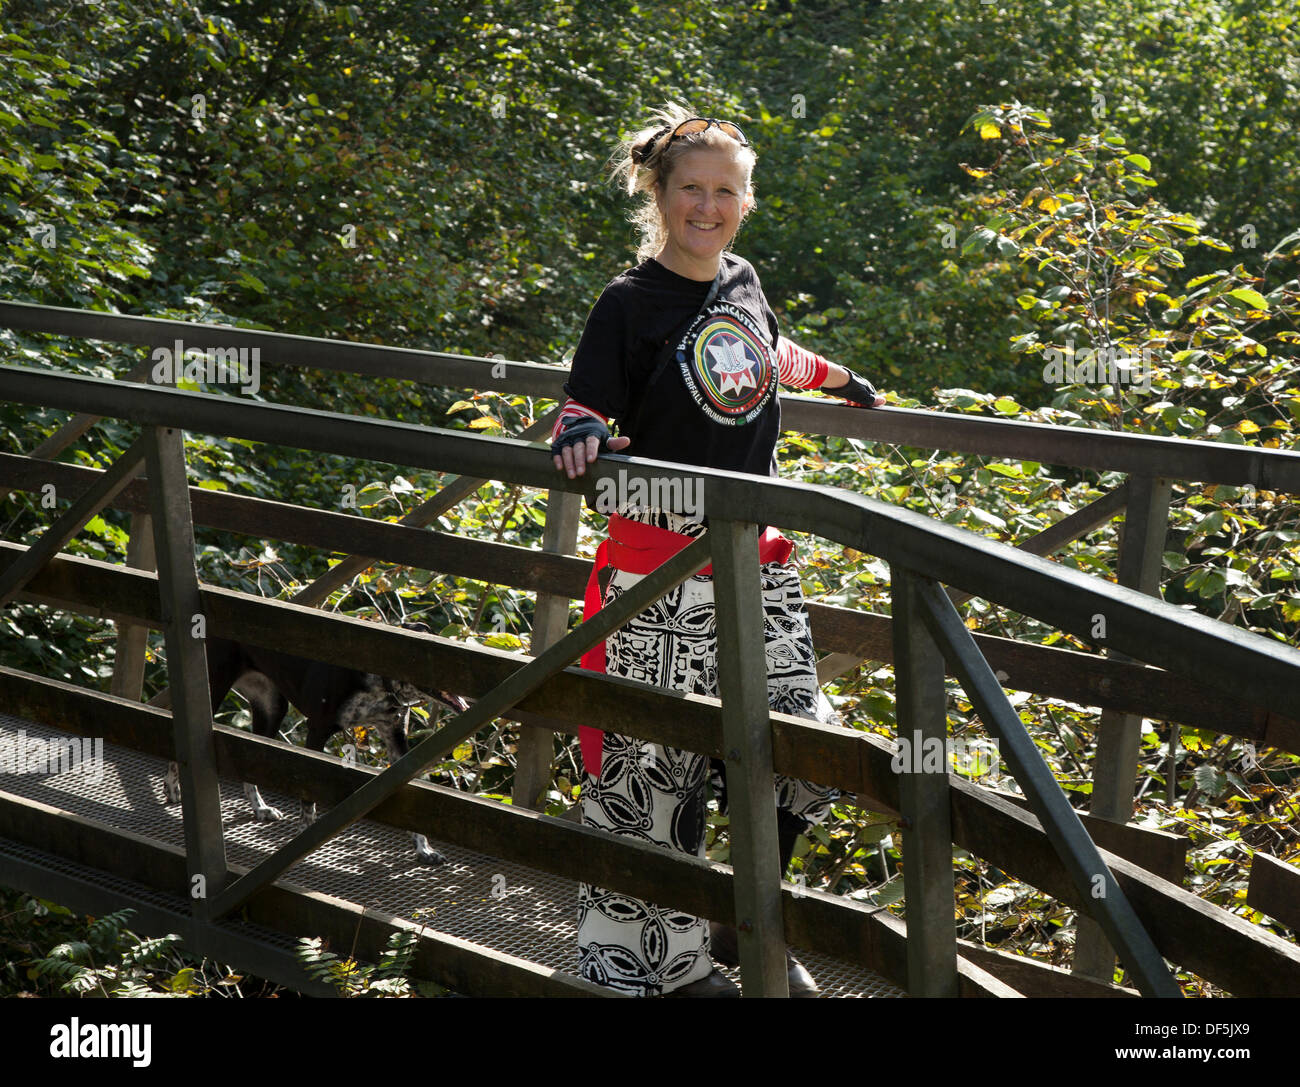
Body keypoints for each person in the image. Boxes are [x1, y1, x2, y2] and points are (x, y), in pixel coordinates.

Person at [552, 105, 884, 997]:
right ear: (658, 195)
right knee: (649, 771)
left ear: (744, 201)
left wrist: (845, 380)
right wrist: (582, 435)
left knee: (804, 746)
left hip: (756, 563)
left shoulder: (742, 276)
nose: (708, 206)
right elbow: (582, 406)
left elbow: (766, 354)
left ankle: (740, 916)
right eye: (690, 189)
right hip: (655, 571)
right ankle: (651, 967)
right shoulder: (626, 304)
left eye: (725, 191)